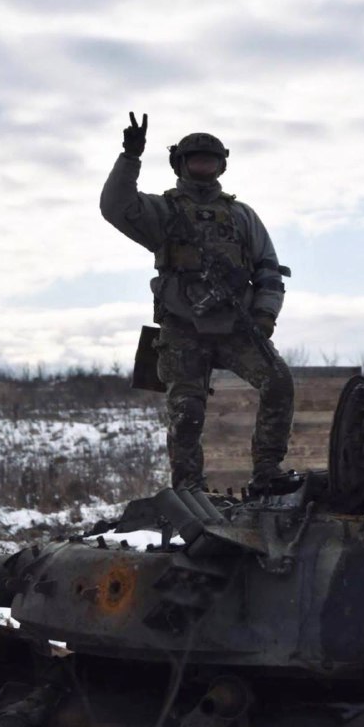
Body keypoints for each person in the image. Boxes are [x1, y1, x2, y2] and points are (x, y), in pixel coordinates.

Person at [100, 112, 294, 491]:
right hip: (183, 327)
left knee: (279, 382)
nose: (204, 166)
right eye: (196, 159)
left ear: (221, 165)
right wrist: (130, 158)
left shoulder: (241, 215)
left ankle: (267, 472)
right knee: (187, 413)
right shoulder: (164, 211)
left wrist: (265, 316)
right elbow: (115, 206)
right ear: (181, 164)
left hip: (237, 326)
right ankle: (189, 490)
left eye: (211, 160)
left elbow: (269, 270)